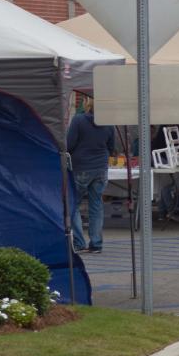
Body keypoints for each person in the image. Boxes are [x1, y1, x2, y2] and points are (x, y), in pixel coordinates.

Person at [67, 95, 116, 254]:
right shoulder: (108, 123)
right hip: (101, 168)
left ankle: (79, 242)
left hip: (81, 167)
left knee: (72, 204)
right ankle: (96, 243)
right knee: (96, 206)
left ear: (87, 103)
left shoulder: (78, 120)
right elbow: (112, 146)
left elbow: (69, 144)